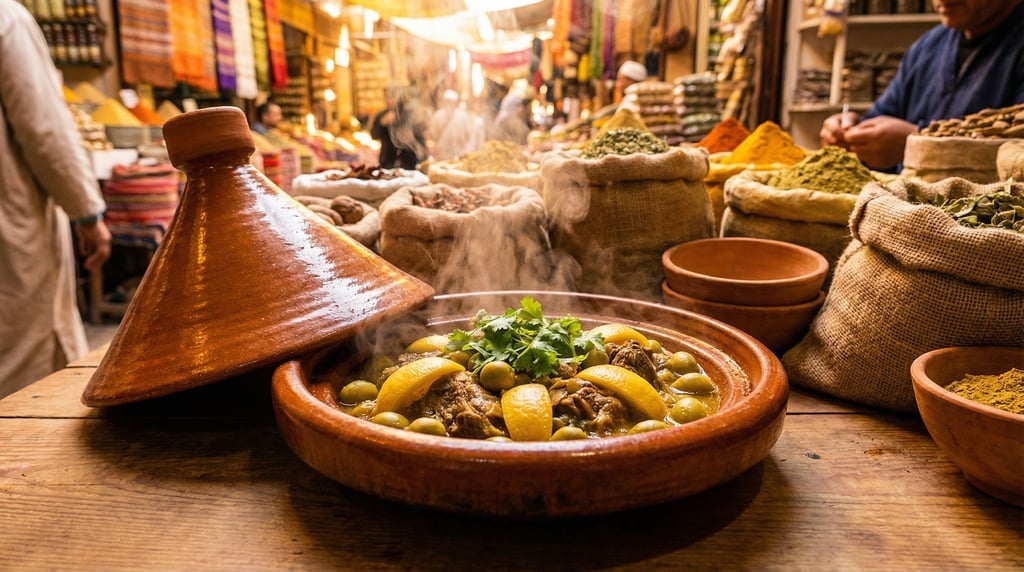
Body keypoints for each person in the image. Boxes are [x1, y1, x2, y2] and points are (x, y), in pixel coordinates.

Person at [1, 2, 111, 398]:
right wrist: (87, 212)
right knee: (27, 365)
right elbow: (44, 130)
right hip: (10, 227)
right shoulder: (6, 18)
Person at [820, 0, 1024, 170]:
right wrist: (851, 133)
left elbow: (1017, 158)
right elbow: (883, 118)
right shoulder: (928, 45)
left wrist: (921, 146)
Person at [370, 87, 427, 170]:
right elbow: (374, 135)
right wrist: (381, 124)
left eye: (391, 97)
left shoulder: (410, 114)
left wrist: (421, 154)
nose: (388, 101)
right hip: (388, 161)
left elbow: (419, 136)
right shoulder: (381, 115)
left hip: (409, 161)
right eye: (386, 97)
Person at [428, 89, 476, 161]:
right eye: (447, 102)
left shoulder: (463, 116)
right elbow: (433, 135)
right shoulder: (438, 115)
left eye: (451, 102)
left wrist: (467, 152)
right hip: (442, 156)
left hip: (460, 155)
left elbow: (470, 136)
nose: (449, 104)